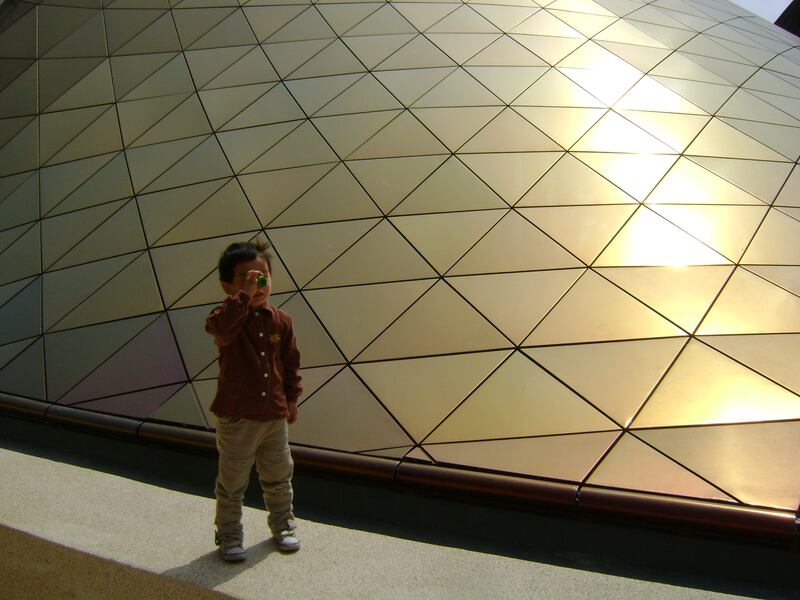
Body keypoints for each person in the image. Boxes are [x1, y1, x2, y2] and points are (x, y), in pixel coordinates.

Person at [205, 240, 302, 562]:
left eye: (263, 277)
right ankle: (229, 534)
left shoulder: (281, 320)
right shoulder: (226, 317)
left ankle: (283, 525)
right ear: (227, 285)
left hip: (272, 415)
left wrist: (291, 399)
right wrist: (242, 298)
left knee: (279, 475)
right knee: (232, 480)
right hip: (237, 415)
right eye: (247, 278)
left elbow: (290, 363)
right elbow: (220, 328)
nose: (258, 283)